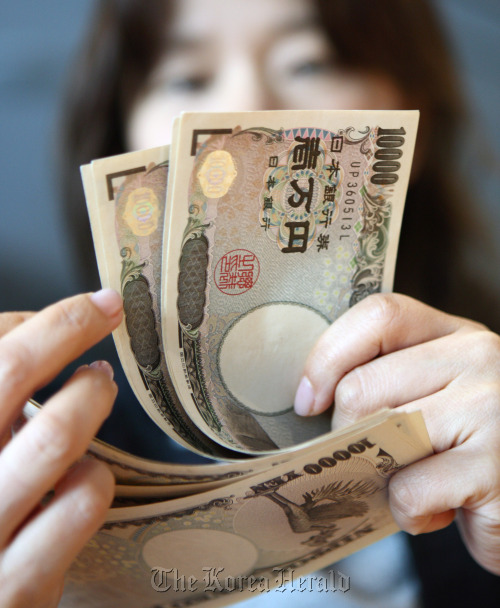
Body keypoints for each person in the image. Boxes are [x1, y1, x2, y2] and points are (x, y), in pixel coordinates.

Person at [0, 1, 498, 606]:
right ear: (121, 137)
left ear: (411, 131)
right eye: (187, 77)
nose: (246, 109)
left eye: (310, 63)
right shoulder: (35, 431)